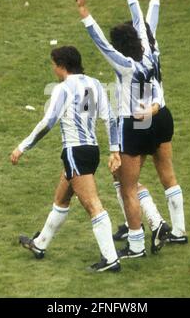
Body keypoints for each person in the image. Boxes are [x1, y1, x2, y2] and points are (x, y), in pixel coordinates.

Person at [76, 0, 168, 259]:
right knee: (121, 176)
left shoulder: (124, 65)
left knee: (127, 187)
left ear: (120, 46)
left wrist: (84, 11)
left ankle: (137, 244)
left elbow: (99, 41)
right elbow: (142, 24)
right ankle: (157, 222)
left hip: (131, 124)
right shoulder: (149, 57)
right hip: (148, 121)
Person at [10, 46, 122, 272]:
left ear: (61, 65)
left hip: (74, 151)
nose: (53, 69)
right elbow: (110, 118)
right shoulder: (95, 84)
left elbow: (48, 122)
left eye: (53, 64)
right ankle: (40, 244)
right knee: (61, 198)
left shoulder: (63, 89)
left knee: (92, 205)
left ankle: (111, 259)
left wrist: (22, 147)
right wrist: (114, 150)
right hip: (91, 151)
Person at [113, 0, 187, 244]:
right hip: (162, 114)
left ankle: (150, 224)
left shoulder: (131, 62)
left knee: (124, 179)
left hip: (142, 116)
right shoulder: (153, 50)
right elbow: (147, 24)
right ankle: (179, 231)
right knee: (167, 174)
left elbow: (143, 23)